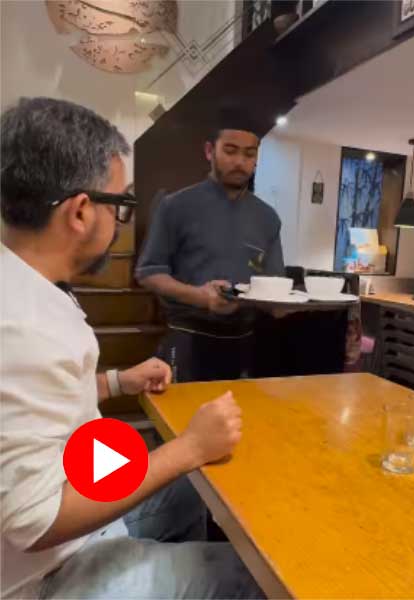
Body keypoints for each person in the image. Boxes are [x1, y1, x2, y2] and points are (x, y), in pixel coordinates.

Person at [0, 97, 262, 599]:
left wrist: (117, 382)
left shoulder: (32, 286)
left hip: (74, 500)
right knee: (254, 573)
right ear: (80, 211)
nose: (121, 220)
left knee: (203, 489)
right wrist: (189, 448)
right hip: (48, 574)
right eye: (119, 204)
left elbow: (37, 400)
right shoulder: (26, 326)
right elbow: (34, 523)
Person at [135, 107, 285, 382]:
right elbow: (148, 273)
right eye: (230, 150)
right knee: (180, 424)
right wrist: (200, 296)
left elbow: (275, 284)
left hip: (246, 345)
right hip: (187, 339)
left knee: (240, 423)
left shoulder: (268, 218)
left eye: (249, 154)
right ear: (209, 151)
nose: (240, 161)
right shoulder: (175, 206)